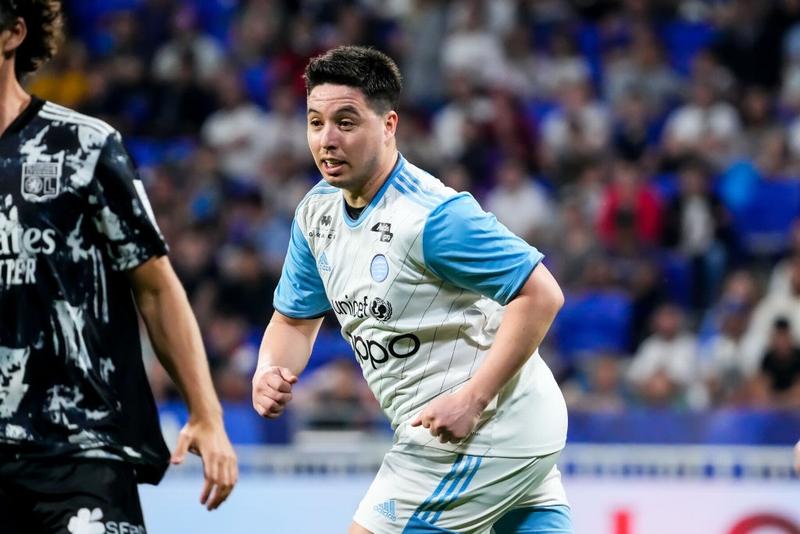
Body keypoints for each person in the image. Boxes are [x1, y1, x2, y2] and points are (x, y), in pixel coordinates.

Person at [252, 45, 572, 534]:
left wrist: (473, 400)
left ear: (388, 125)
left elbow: (542, 294)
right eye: (316, 123)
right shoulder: (316, 213)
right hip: (513, 428)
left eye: (345, 122)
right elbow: (293, 321)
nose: (327, 139)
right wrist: (270, 369)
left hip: (478, 431)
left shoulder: (432, 216)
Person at [0, 2, 237, 532]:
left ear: (13, 33)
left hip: (79, 449)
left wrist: (206, 414)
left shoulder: (83, 147)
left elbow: (154, 286)